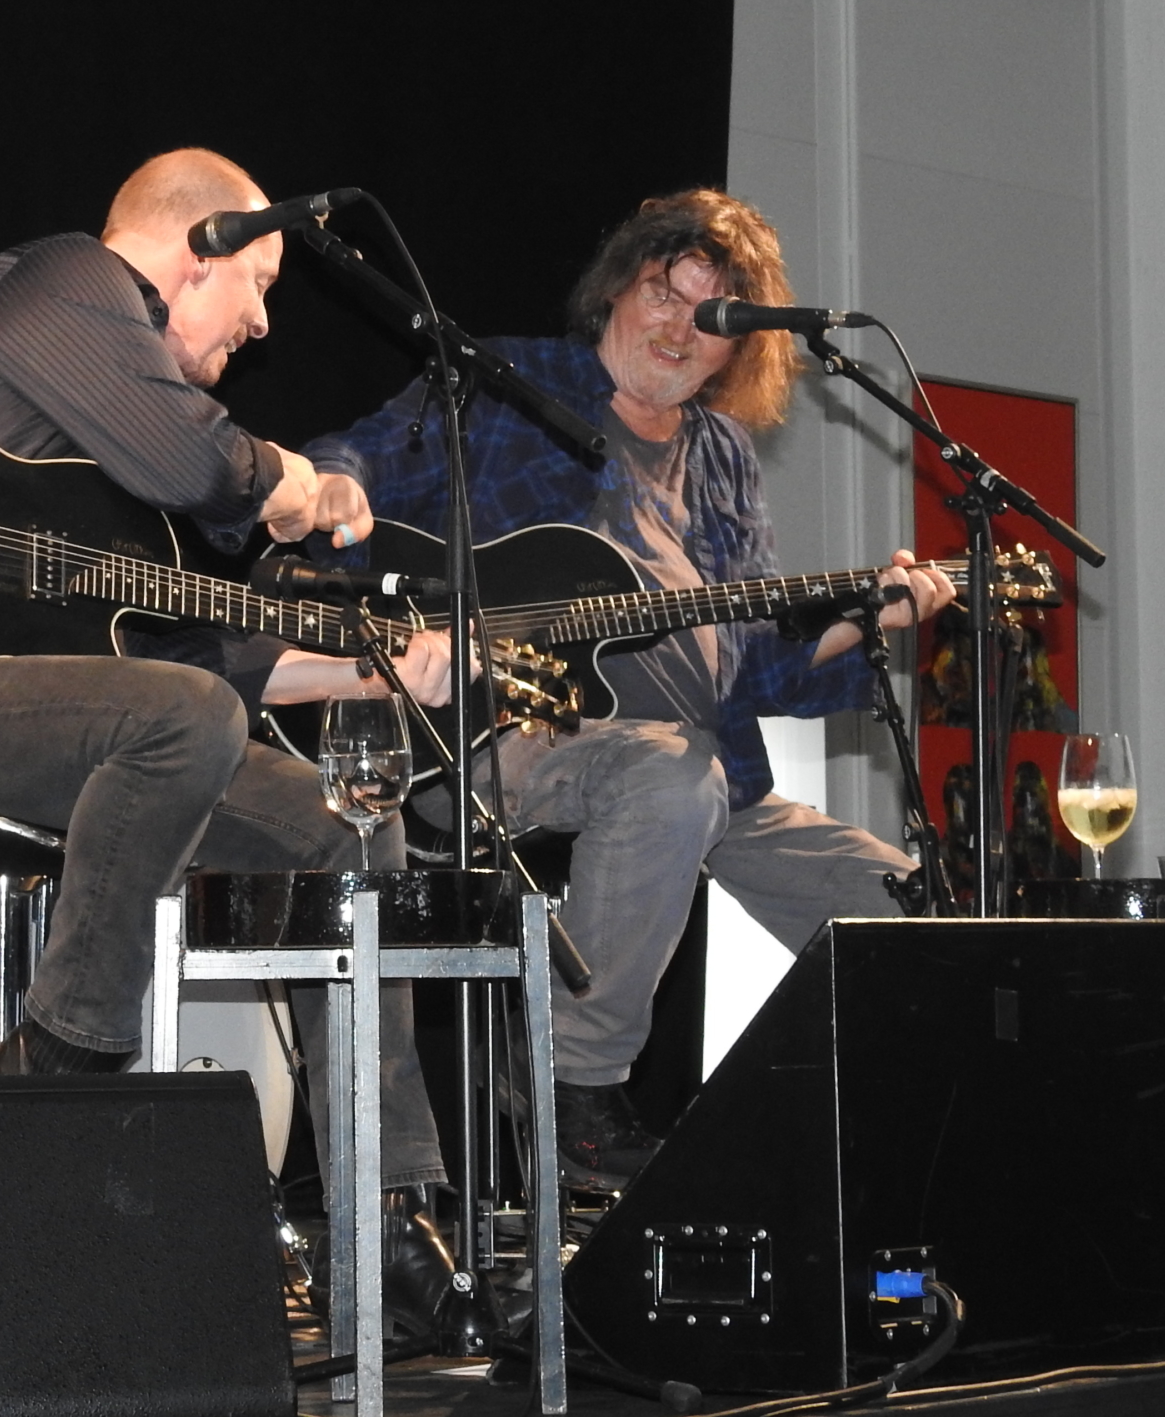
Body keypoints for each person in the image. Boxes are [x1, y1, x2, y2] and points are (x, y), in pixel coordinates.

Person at [0, 149, 456, 1324]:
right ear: (195, 246)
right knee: (188, 718)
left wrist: (370, 665)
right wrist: (298, 483)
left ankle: (383, 1215)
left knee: (348, 837)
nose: (262, 322)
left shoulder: (108, 465)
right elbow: (192, 459)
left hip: (74, 722)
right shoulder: (59, 281)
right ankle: (65, 1056)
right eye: (256, 281)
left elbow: (180, 657)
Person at [306, 189, 956, 1189]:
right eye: (664, 292)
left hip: (689, 763)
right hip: (481, 739)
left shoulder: (723, 461)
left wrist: (874, 615)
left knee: (915, 924)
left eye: (712, 315)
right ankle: (573, 1086)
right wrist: (335, 491)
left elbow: (750, 670)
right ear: (617, 290)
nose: (680, 328)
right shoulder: (511, 385)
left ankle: (895, 1163)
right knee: (669, 776)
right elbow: (352, 459)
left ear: (740, 347)